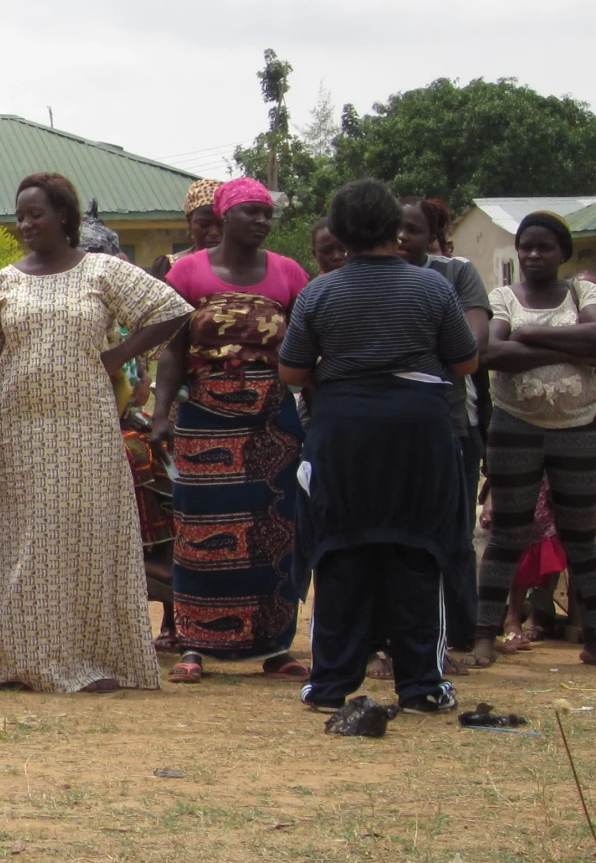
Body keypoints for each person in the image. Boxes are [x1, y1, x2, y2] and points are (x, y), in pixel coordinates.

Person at [0, 173, 192, 694]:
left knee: (79, 540)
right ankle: (11, 658)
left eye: (35, 214)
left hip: (85, 431)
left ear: (64, 215)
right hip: (17, 432)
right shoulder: (4, 281)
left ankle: (87, 658)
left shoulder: (101, 272)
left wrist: (121, 354)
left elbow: (171, 310)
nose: (25, 225)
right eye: (19, 216)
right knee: (18, 544)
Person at [274, 179, 481, 709]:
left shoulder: (320, 292)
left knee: (340, 550)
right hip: (419, 432)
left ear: (339, 234)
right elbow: (465, 362)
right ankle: (422, 687)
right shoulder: (433, 288)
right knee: (419, 548)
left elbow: (293, 370)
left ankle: (329, 684)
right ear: (396, 227)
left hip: (344, 432)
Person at [147, 176, 310, 682]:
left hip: (272, 424)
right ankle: (194, 646)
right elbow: (174, 351)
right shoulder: (187, 272)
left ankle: (275, 646)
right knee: (198, 528)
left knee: (273, 530)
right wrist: (160, 413)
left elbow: (308, 348)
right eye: (252, 212)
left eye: (267, 213)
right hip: (204, 417)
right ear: (224, 218)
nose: (262, 221)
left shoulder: (289, 272)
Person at [471, 211, 596, 671]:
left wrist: (529, 334)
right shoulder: (502, 296)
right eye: (525, 246)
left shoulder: (585, 292)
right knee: (507, 533)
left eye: (544, 247)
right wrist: (571, 345)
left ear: (562, 253)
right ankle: (485, 634)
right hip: (515, 427)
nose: (532, 254)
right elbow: (493, 353)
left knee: (581, 537)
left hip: (581, 426)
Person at [393, 197, 492, 667]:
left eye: (411, 229)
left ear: (431, 235)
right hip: (391, 427)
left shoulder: (456, 274)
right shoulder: (371, 280)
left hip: (452, 422)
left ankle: (458, 635)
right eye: (393, 229)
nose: (400, 238)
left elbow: (473, 345)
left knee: (452, 535)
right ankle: (402, 639)